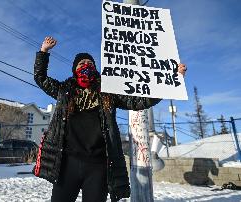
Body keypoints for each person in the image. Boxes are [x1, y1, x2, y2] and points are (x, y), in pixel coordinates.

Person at [33, 36, 187, 202]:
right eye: (81, 64)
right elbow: (40, 78)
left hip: (98, 165)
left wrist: (172, 81)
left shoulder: (108, 91)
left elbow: (138, 101)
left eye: (90, 64)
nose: (86, 66)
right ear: (74, 69)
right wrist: (43, 51)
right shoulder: (64, 90)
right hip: (68, 162)